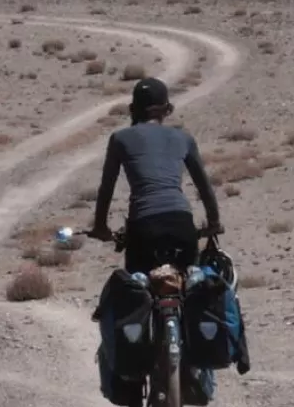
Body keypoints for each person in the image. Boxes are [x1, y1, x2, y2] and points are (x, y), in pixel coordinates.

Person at [88, 77, 222, 275]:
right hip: (181, 222)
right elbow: (204, 187)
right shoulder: (183, 138)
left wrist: (101, 227)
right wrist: (213, 223)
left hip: (143, 226)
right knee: (192, 286)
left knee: (136, 290)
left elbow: (107, 188)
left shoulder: (120, 139)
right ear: (166, 109)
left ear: (133, 108)